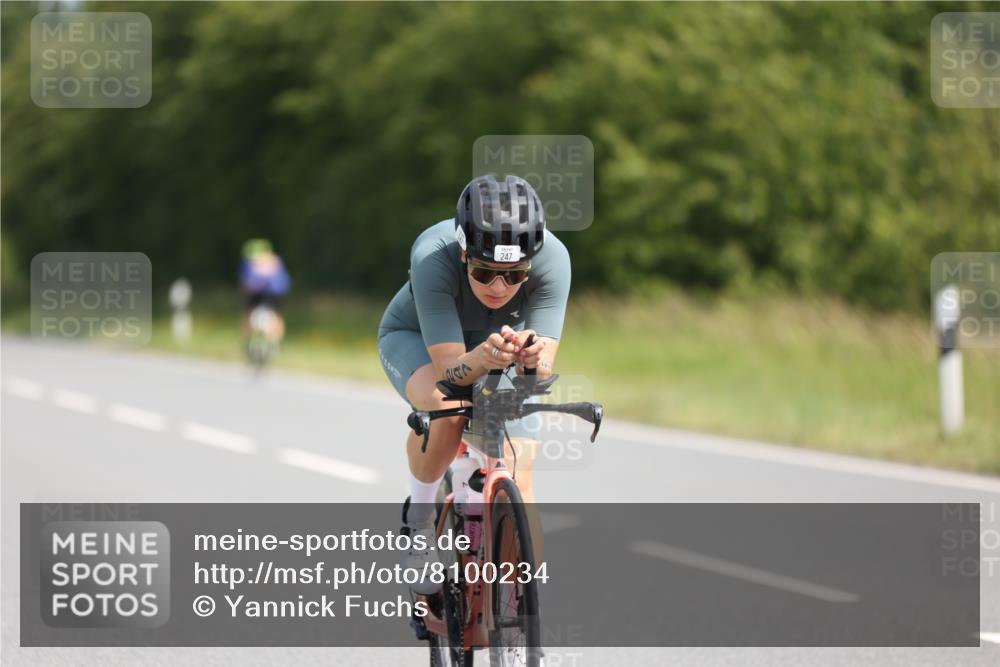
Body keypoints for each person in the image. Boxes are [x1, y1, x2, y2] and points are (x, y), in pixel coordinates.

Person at [377, 174, 571, 594]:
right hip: (418, 340)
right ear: (464, 253)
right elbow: (450, 373)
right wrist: (481, 359)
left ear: (532, 262)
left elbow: (539, 377)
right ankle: (419, 522)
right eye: (484, 272)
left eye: (515, 275)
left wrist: (532, 361)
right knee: (448, 410)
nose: (499, 287)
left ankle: (519, 601)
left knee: (519, 468)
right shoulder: (432, 254)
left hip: (500, 347)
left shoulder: (554, 259)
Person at [239, 239, 291, 344]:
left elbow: (247, 282)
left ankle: (252, 339)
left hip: (268, 293)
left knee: (251, 313)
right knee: (275, 315)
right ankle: (273, 341)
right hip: (270, 293)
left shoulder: (263, 262)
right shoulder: (275, 261)